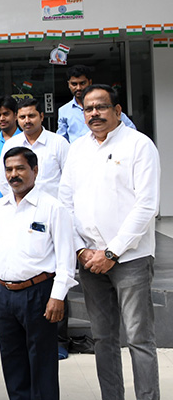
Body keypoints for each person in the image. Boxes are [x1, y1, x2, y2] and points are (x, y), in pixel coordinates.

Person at [59, 84, 160, 400]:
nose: (94, 114)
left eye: (101, 107)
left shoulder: (139, 145)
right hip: (89, 259)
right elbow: (66, 203)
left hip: (130, 259)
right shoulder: (77, 149)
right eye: (88, 108)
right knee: (103, 338)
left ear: (118, 111)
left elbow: (147, 206)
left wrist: (112, 251)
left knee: (139, 339)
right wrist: (80, 249)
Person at [0, 147, 75, 400]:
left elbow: (67, 258)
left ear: (35, 170)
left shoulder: (53, 208)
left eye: (20, 168)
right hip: (4, 293)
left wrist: (58, 296)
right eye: (8, 169)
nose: (13, 175)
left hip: (39, 294)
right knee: (12, 361)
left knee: (42, 361)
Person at [0, 98, 68, 199]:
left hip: (51, 209)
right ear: (17, 118)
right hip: (20, 208)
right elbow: (3, 182)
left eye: (31, 116)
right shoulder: (11, 145)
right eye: (22, 117)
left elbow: (69, 179)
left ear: (41, 116)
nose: (27, 121)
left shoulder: (59, 143)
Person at [56, 65, 136, 142]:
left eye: (82, 83)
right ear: (68, 84)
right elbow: (62, 140)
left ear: (90, 82)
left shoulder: (106, 105)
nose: (78, 88)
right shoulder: (64, 111)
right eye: (74, 84)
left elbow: (131, 131)